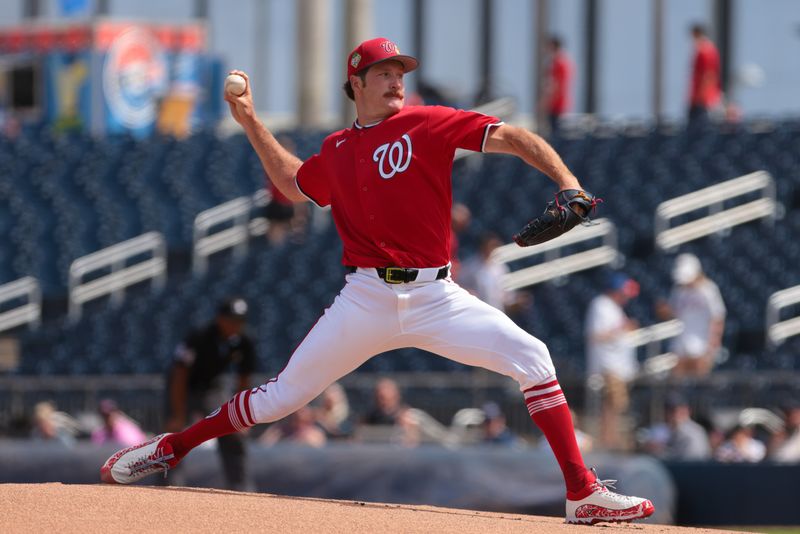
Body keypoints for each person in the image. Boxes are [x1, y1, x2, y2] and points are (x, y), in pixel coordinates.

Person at [101, 37, 653, 525]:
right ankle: (171, 448)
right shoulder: (338, 150)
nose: (396, 81)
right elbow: (295, 183)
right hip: (366, 295)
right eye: (385, 73)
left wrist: (569, 181)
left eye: (400, 73)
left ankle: (582, 493)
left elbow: (510, 137)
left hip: (437, 294)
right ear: (356, 82)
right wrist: (248, 120)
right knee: (279, 399)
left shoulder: (426, 122)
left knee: (533, 356)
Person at [162, 297, 257, 491]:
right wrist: (177, 414)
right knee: (174, 433)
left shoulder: (244, 341)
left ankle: (241, 487)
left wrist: (242, 415)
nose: (235, 325)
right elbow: (179, 375)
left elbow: (244, 378)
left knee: (232, 429)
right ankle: (168, 485)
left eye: (240, 321)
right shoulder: (199, 336)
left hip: (213, 387)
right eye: (231, 320)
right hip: (184, 387)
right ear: (220, 319)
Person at [584, 272, 640, 451]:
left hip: (618, 367)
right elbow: (596, 335)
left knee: (614, 407)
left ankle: (610, 441)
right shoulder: (601, 305)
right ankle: (609, 441)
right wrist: (621, 328)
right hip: (609, 366)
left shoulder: (614, 308)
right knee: (613, 406)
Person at [657, 253, 726, 378]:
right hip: (681, 341)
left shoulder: (709, 290)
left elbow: (717, 317)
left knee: (699, 382)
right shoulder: (679, 291)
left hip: (702, 342)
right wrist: (665, 311)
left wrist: (713, 343)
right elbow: (674, 315)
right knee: (676, 380)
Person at [640, 392, 711, 460]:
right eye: (668, 411)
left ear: (687, 411)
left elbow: (689, 463)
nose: (672, 415)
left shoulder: (692, 433)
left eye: (675, 410)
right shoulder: (672, 429)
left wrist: (660, 452)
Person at [687, 24, 722, 128]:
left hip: (703, 99)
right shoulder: (704, 50)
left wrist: (701, 96)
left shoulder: (705, 51)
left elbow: (709, 74)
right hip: (701, 98)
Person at [540, 35, 573, 136]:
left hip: (555, 104)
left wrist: (545, 102)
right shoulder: (566, 61)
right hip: (561, 103)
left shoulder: (558, 63)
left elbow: (555, 86)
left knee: (554, 134)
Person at [260, 405, 327, 448]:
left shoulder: (314, 433)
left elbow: (320, 449)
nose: (298, 412)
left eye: (302, 410)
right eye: (296, 409)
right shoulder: (279, 430)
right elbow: (263, 445)